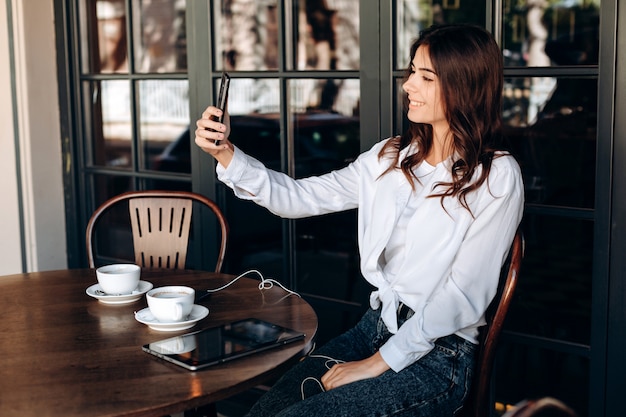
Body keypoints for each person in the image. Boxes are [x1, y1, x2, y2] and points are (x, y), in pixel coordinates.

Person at [195, 23, 524, 417]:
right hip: (375, 328)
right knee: (264, 412)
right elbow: (301, 197)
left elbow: (462, 297)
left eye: (425, 76)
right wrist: (227, 154)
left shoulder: (495, 176)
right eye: (411, 72)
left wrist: (375, 364)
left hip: (440, 357)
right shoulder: (389, 157)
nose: (408, 86)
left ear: (464, 85)